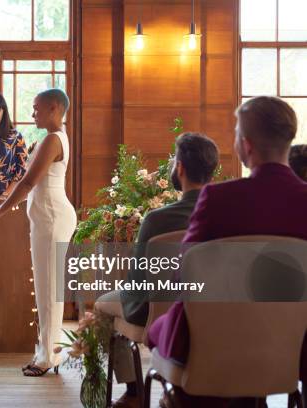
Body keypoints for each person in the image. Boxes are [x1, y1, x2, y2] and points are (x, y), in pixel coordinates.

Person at [148, 96, 307, 407]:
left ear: (246, 146)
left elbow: (186, 275)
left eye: (235, 133)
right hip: (294, 347)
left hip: (211, 348)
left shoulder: (219, 198)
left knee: (158, 329)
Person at [95, 133, 219, 408]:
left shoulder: (156, 219)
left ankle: (133, 391)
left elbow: (139, 282)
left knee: (103, 305)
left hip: (154, 315)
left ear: (181, 168)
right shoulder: (222, 215)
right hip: (213, 312)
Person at [0, 88, 77, 376]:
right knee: (44, 289)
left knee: (49, 290)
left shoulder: (53, 139)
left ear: (54, 108)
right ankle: (44, 351)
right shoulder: (49, 138)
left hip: (53, 218)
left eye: (37, 107)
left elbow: (28, 184)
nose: (32, 113)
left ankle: (47, 357)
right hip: (45, 218)